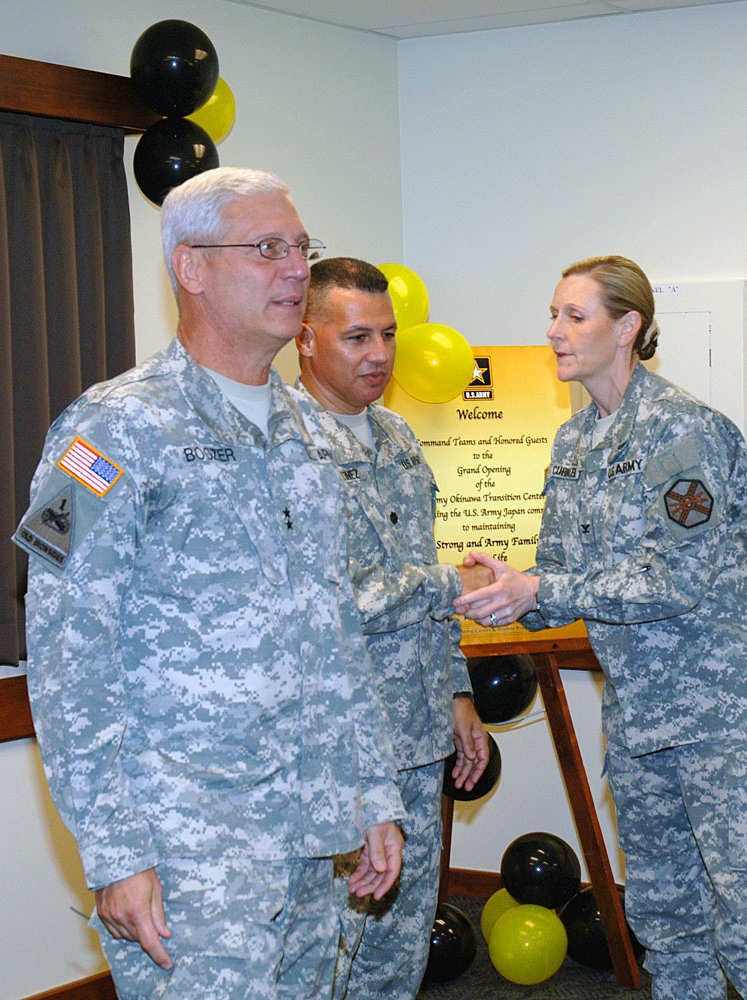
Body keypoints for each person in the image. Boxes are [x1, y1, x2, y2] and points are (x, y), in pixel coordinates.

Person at [14, 168, 407, 1000]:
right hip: (194, 851)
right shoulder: (110, 429)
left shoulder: (307, 431)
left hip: (315, 832)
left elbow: (336, 632)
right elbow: (67, 657)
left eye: (302, 248)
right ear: (191, 268)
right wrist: (116, 852)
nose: (297, 270)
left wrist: (372, 790)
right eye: (267, 249)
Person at [454, 255, 747, 1000]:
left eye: (574, 316)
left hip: (730, 720)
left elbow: (673, 581)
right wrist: (503, 592)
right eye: (553, 314)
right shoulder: (574, 444)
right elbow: (560, 578)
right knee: (665, 918)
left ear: (628, 327)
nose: (553, 331)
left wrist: (545, 585)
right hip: (643, 720)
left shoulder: (684, 433)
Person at [295, 257, 491, 1000]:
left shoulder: (400, 436)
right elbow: (332, 605)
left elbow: (421, 573)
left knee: (399, 950)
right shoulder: (284, 449)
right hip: (338, 747)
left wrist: (458, 692)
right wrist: (452, 585)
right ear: (306, 339)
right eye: (355, 338)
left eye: (388, 335)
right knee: (333, 955)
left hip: (416, 736)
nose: (379, 355)